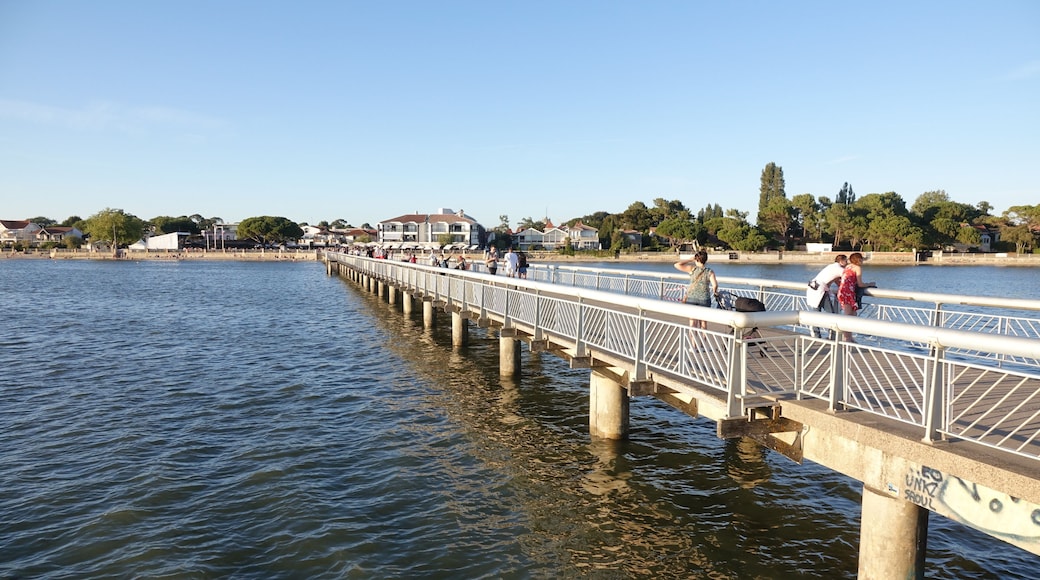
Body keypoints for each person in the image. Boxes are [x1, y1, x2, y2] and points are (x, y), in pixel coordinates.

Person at [837, 252, 877, 342]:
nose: (862, 261)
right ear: (858, 260)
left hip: (843, 291)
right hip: (848, 292)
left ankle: (849, 337)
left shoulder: (848, 266)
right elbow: (860, 284)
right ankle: (846, 338)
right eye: (861, 259)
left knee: (852, 314)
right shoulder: (857, 268)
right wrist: (870, 284)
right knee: (849, 315)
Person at [674, 250, 719, 330]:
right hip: (704, 298)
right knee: (703, 322)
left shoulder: (692, 269)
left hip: (692, 298)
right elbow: (715, 285)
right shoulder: (710, 271)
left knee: (692, 322)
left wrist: (689, 260)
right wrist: (715, 292)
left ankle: (693, 338)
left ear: (696, 259)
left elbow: (677, 265)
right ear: (705, 260)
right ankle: (703, 338)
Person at [806, 254, 848, 338]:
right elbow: (848, 277)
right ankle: (830, 335)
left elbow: (837, 281)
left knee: (818, 312)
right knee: (828, 313)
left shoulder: (831, 267)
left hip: (815, 287)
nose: (847, 263)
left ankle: (818, 334)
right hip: (819, 290)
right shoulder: (839, 269)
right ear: (841, 261)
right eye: (846, 261)